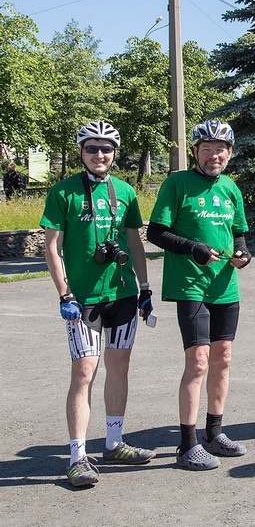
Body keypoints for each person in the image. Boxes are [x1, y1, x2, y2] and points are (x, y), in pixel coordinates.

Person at [40, 121, 155, 488]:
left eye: (106, 149)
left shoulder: (124, 191)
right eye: (92, 149)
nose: (99, 155)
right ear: (81, 152)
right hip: (84, 301)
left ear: (115, 153)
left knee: (119, 367)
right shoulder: (63, 192)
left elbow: (135, 243)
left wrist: (146, 287)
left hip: (121, 296)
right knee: (85, 373)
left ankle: (114, 442)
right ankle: (77, 456)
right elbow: (52, 247)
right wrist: (64, 293)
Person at [147, 120, 251, 471]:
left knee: (223, 360)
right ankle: (187, 444)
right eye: (206, 149)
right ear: (195, 152)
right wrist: (193, 248)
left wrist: (243, 255)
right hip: (190, 286)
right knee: (199, 362)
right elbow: (157, 232)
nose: (214, 155)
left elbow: (238, 234)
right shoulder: (177, 183)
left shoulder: (231, 189)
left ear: (230, 153)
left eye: (220, 149)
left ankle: (215, 433)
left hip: (225, 286)